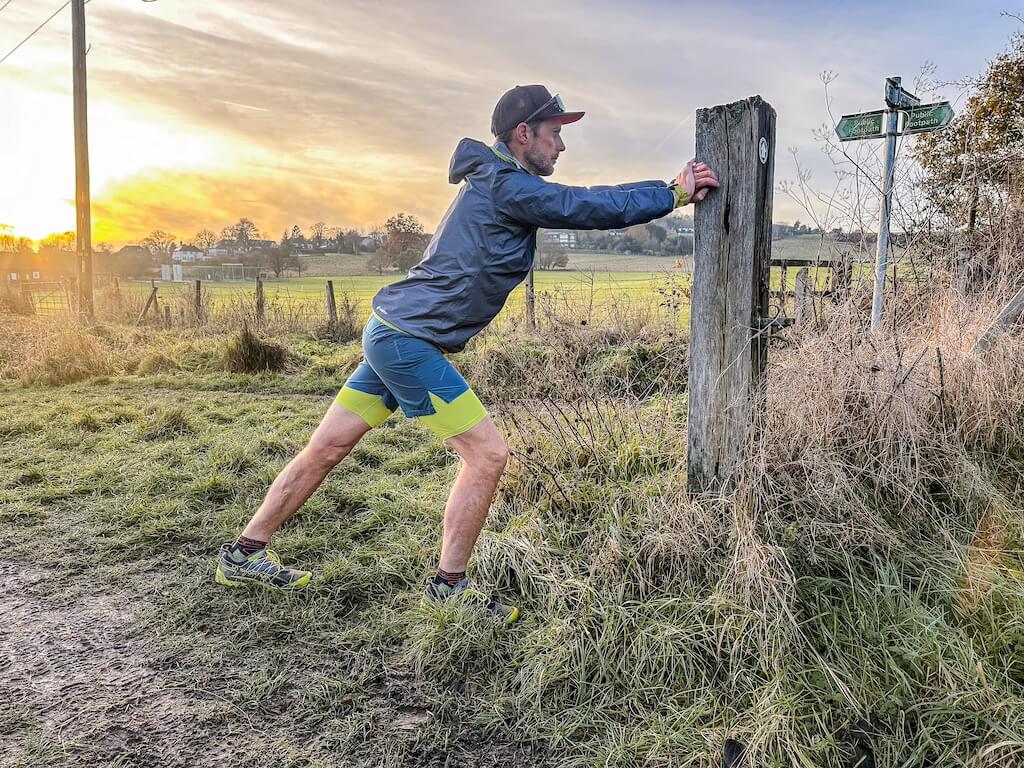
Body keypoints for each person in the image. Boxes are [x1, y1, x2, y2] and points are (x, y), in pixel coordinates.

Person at [215, 84, 720, 623]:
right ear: (523, 134)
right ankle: (449, 587)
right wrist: (671, 193)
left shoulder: (497, 183)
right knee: (487, 455)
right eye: (554, 136)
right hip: (406, 343)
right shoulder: (505, 183)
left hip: (393, 334)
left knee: (327, 449)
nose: (561, 148)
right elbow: (583, 205)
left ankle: (243, 554)